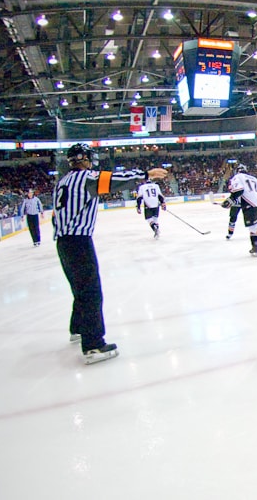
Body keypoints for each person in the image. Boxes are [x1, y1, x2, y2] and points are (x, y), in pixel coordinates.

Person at [53, 143, 167, 364]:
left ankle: (77, 328)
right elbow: (113, 180)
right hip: (79, 241)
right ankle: (93, 344)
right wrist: (145, 174)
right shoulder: (85, 178)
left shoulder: (63, 182)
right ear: (85, 159)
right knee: (91, 291)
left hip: (63, 242)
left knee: (79, 288)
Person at [221, 164, 257, 257]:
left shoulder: (237, 177)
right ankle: (254, 248)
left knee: (253, 227)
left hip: (250, 204)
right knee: (253, 226)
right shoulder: (253, 178)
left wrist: (229, 200)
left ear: (237, 171)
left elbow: (239, 191)